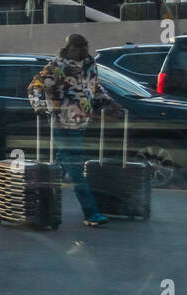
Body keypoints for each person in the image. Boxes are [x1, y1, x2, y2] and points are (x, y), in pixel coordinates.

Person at [27, 32, 123, 227]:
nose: (82, 50)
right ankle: (91, 213)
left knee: (59, 169)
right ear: (68, 48)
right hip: (63, 123)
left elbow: (95, 89)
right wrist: (39, 106)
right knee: (77, 171)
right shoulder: (57, 67)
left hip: (81, 124)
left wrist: (112, 104)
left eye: (84, 46)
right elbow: (34, 87)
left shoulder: (90, 66)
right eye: (78, 46)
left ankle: (41, 206)